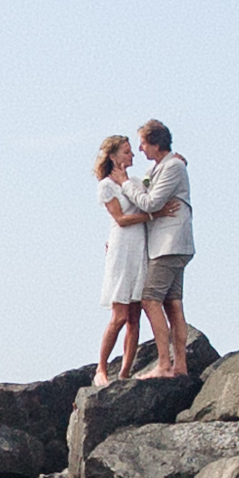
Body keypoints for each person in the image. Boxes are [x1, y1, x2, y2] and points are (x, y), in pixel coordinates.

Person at [121, 120, 195, 376]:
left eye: (143, 143)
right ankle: (180, 365)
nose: (140, 149)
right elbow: (148, 186)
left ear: (155, 142)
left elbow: (151, 202)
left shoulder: (172, 167)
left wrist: (125, 184)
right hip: (172, 245)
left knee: (150, 299)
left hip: (169, 245)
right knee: (173, 303)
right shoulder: (165, 167)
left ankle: (164, 363)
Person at [91, 135, 154, 384]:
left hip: (139, 247)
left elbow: (149, 184)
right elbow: (121, 218)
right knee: (119, 314)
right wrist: (152, 216)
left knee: (135, 315)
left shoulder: (133, 181)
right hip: (122, 247)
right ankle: (101, 369)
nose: (132, 156)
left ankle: (126, 370)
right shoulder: (106, 185)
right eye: (127, 152)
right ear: (114, 156)